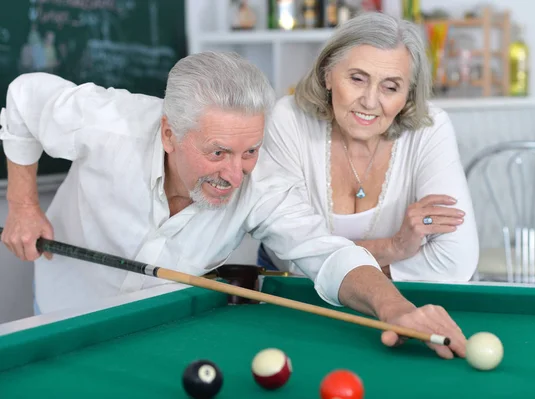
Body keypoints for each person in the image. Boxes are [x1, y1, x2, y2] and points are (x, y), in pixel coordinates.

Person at [1, 51, 466, 360]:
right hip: (64, 307)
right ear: (169, 133)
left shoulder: (262, 185)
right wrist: (22, 203)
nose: (235, 174)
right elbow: (24, 96)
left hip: (158, 330)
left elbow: (327, 251)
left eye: (250, 151)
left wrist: (394, 308)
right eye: (218, 152)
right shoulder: (107, 125)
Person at [257, 12, 479, 282]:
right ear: (328, 75)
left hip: (384, 296)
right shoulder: (289, 118)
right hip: (289, 293)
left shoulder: (429, 128)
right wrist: (394, 248)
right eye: (357, 79)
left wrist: (328, 267)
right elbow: (291, 257)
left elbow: (456, 262)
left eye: (390, 87)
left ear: (408, 93)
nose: (371, 102)